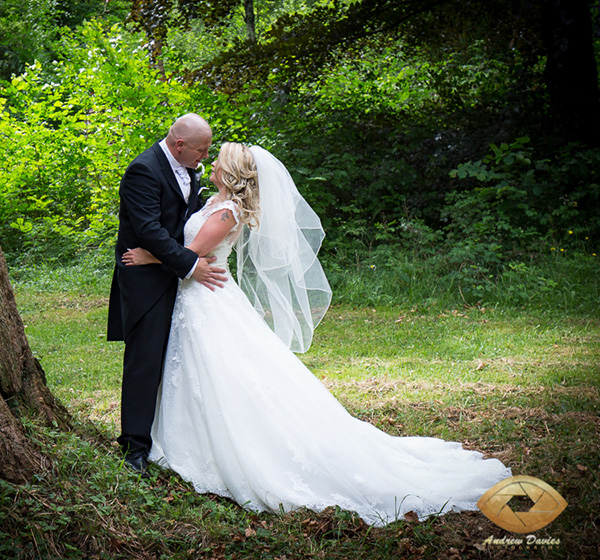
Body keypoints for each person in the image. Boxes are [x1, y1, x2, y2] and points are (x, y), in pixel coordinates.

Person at [121, 142, 511, 525]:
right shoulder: (214, 202)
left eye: (217, 159)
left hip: (208, 299)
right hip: (198, 297)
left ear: (230, 172)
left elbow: (193, 251)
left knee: (223, 375)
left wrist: (148, 255)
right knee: (200, 373)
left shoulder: (226, 211)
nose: (210, 163)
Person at [107, 113, 227, 476]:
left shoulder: (189, 168)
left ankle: (177, 439)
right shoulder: (143, 170)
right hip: (147, 282)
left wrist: (170, 259)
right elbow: (148, 228)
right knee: (145, 362)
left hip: (173, 275)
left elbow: (183, 228)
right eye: (201, 150)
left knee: (181, 361)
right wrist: (190, 265)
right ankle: (134, 447)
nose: (204, 157)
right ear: (180, 145)